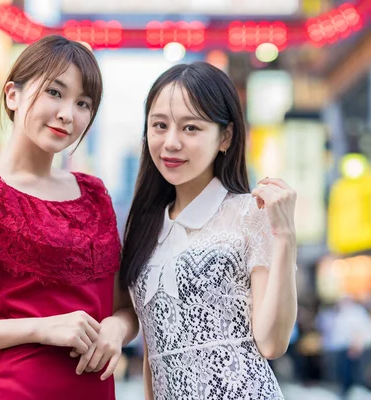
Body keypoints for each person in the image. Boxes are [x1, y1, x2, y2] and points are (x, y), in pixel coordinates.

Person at [0, 35, 138, 400]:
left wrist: (117, 327)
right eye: (54, 92)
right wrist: (41, 329)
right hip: (19, 389)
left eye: (83, 102)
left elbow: (123, 309)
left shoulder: (94, 194)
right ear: (12, 95)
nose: (68, 113)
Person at [119, 62, 298, 399]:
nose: (171, 142)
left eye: (191, 128)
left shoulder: (250, 213)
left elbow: (272, 342)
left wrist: (286, 237)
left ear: (225, 137)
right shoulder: (144, 228)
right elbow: (154, 354)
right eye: (159, 125)